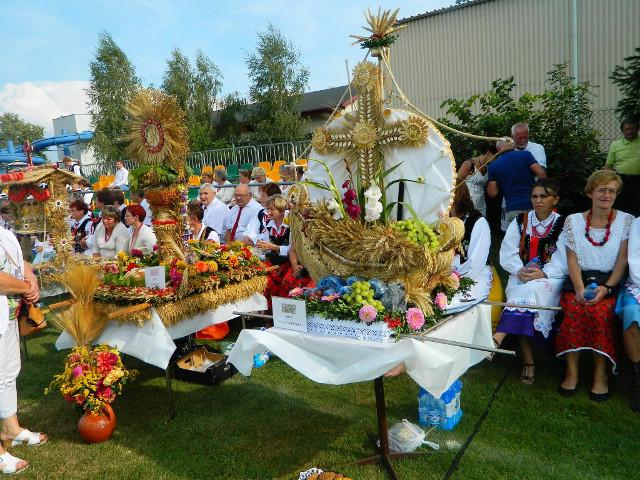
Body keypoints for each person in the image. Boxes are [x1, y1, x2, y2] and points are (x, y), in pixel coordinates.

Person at [555, 170, 633, 401]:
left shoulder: (626, 221)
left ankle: (601, 374)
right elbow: (572, 260)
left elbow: (622, 260)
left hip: (610, 282)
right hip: (579, 281)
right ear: (590, 193)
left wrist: (606, 288)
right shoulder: (573, 221)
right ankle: (572, 371)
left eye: (612, 191)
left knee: (602, 313)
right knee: (574, 309)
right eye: (601, 190)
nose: (606, 195)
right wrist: (579, 289)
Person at [494, 179, 565, 384]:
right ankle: (527, 360)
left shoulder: (563, 224)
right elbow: (508, 250)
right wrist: (520, 270)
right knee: (523, 292)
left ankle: (499, 338)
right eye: (534, 196)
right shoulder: (521, 221)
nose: (538, 200)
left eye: (543, 196)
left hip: (550, 279)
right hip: (521, 276)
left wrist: (543, 273)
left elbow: (564, 258)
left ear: (555, 199)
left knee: (528, 292)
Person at [0, 226, 46, 475]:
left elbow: (19, 261)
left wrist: (31, 279)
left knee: (8, 373)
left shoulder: (4, 231)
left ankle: (10, 429)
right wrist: (24, 287)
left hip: (6, 315)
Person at [252, 194, 314, 310]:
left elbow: (292, 249)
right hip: (275, 261)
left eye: (272, 209)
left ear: (281, 211)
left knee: (287, 281)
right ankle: (266, 311)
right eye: (268, 209)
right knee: (259, 277)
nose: (268, 212)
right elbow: (268, 245)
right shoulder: (269, 224)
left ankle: (284, 311)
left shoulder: (291, 225)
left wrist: (274, 247)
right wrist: (263, 245)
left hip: (288, 261)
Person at [487, 138, 547, 231]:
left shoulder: (493, 166)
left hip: (512, 207)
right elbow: (542, 174)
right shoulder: (526, 155)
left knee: (515, 237)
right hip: (533, 205)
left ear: (498, 149)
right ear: (513, 145)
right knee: (535, 235)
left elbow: (492, 193)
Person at [450, 183, 492, 301]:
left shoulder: (477, 222)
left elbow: (475, 264)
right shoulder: (441, 219)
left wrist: (453, 278)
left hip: (470, 276)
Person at [616, 216, 640, 412]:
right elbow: (634, 259)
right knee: (632, 314)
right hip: (638, 285)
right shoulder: (638, 224)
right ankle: (638, 376)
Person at [604, 118, 640, 217]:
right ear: (623, 131)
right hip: (621, 180)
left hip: (639, 181)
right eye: (627, 129)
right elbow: (609, 165)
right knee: (621, 208)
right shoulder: (615, 145)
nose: (630, 131)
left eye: (633, 128)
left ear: (638, 129)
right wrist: (606, 182)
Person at [456, 141, 497, 216]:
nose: (496, 159)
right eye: (495, 156)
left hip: (481, 206)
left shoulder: (488, 168)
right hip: (467, 205)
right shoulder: (469, 164)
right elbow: (457, 183)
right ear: (488, 153)